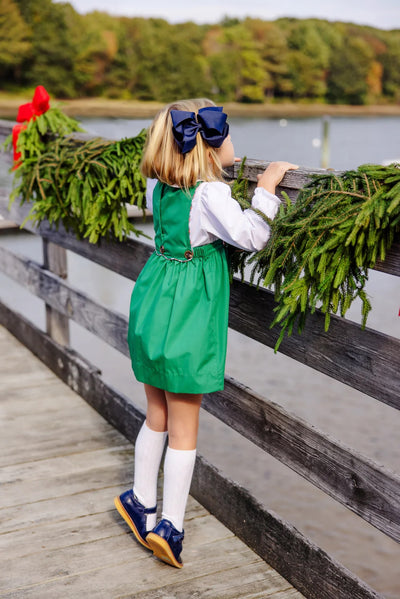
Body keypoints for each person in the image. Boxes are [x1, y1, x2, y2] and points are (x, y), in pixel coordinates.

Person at [114, 98, 298, 568]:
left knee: (156, 410)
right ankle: (170, 526)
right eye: (228, 133)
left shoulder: (160, 185)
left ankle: (140, 501)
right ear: (210, 144)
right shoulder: (211, 193)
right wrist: (266, 188)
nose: (234, 141)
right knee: (185, 424)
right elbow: (253, 235)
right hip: (188, 314)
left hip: (153, 300)